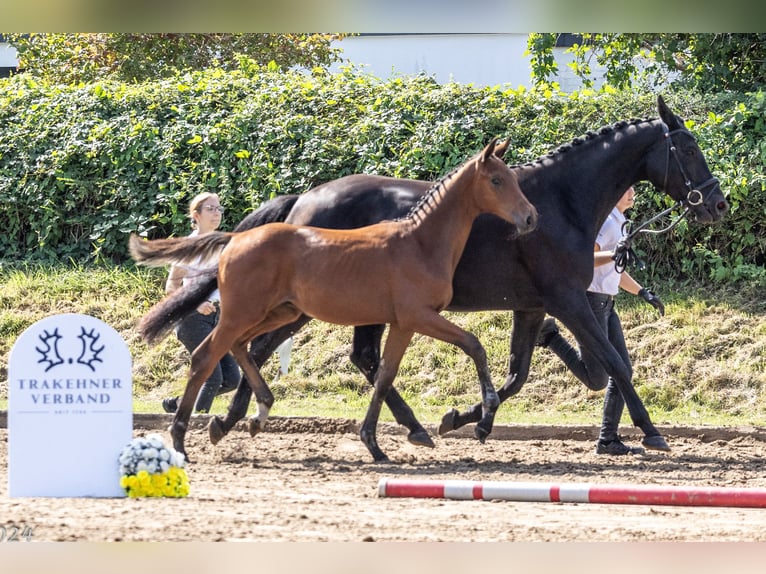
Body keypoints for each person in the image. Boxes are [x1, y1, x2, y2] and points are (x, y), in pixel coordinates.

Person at [536, 186, 665, 455]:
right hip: (592, 302)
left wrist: (643, 292)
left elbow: (615, 270)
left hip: (607, 303)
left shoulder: (619, 222)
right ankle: (550, 337)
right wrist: (612, 255)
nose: (632, 192)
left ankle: (608, 440)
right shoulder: (606, 223)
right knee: (597, 380)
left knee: (623, 372)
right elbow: (582, 260)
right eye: (626, 189)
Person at [161, 192, 241, 414]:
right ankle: (195, 424)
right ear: (195, 215)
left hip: (217, 318)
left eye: (219, 208)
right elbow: (171, 287)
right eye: (211, 209)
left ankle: (178, 404)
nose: (217, 213)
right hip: (192, 319)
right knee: (212, 377)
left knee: (232, 380)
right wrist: (196, 304)